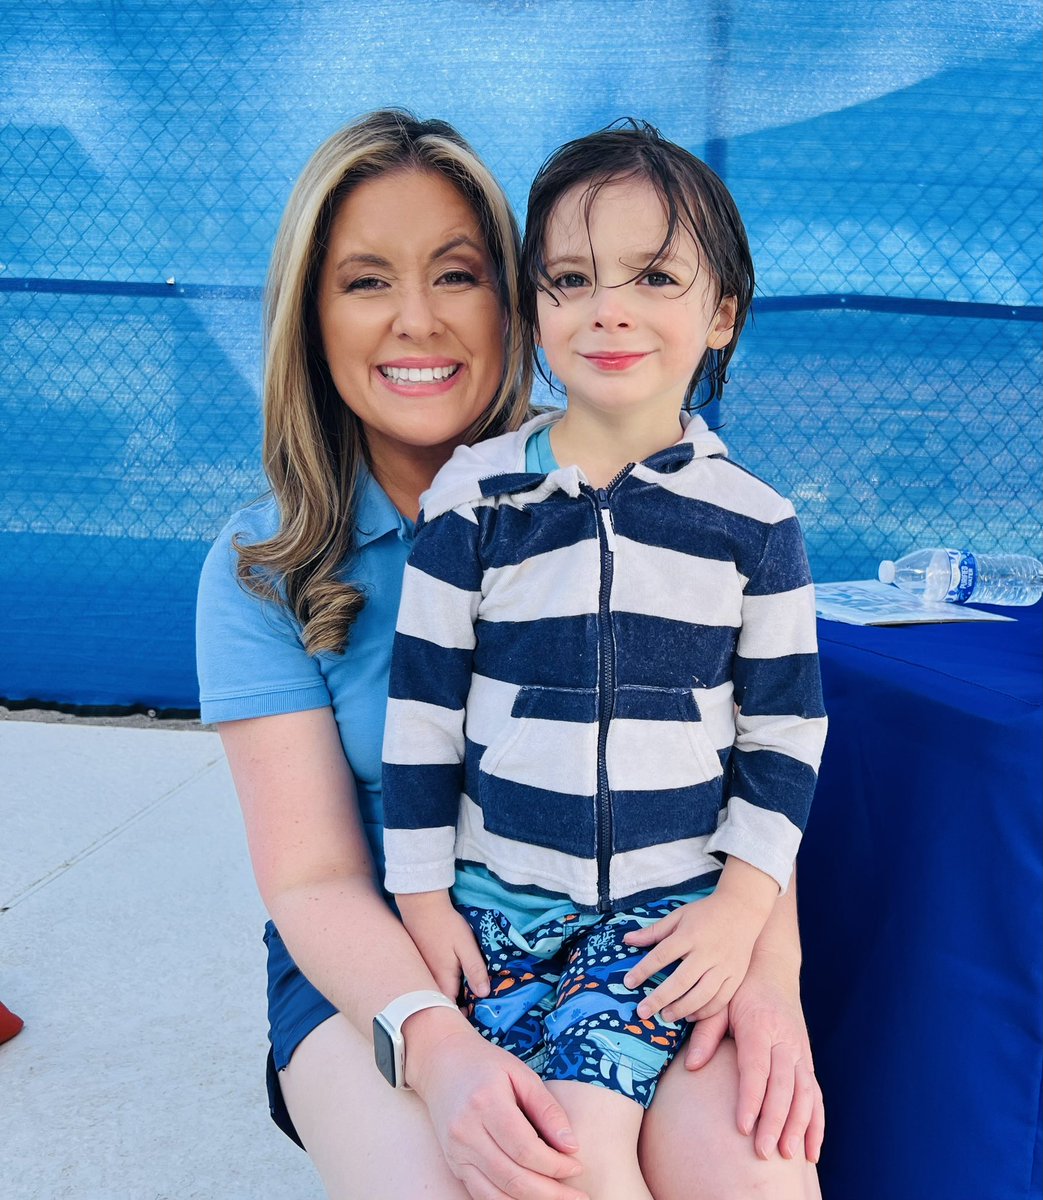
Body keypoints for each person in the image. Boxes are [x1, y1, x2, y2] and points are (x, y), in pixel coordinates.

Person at [196, 108, 824, 1200]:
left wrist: (772, 971)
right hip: (396, 959)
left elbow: (732, 744)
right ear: (310, 314)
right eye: (363, 282)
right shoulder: (262, 564)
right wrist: (434, 1050)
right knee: (523, 1178)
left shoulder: (643, 476)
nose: (415, 322)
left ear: (510, 301)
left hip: (642, 926)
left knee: (751, 1175)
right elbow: (314, 876)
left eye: (456, 274)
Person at [381, 120, 827, 1200]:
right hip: (497, 915)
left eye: (653, 276)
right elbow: (421, 718)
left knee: (592, 1141)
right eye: (570, 279)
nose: (607, 308)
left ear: (719, 313)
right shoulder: (473, 502)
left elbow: (780, 735)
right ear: (535, 311)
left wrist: (739, 909)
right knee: (560, 1158)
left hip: (660, 923)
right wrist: (424, 901)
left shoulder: (754, 528)